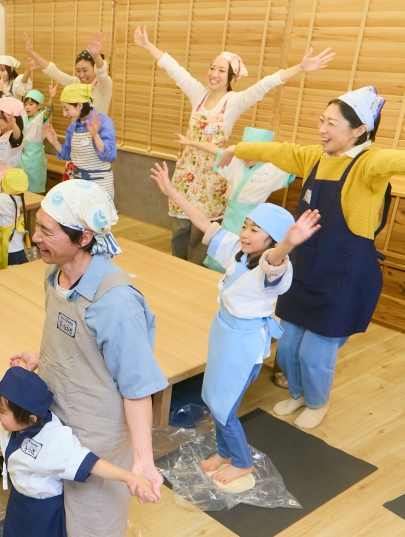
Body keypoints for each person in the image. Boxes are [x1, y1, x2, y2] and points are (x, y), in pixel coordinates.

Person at [9, 179, 166, 537]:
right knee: (58, 487)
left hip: (98, 418)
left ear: (84, 238)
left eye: (47, 231)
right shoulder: (55, 275)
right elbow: (70, 336)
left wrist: (142, 460)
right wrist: (41, 358)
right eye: (36, 225)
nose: (35, 237)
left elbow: (137, 387)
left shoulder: (115, 303)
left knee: (94, 499)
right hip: (59, 406)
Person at [218, 86, 405, 429]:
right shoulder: (314, 158)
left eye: (332, 124)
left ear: (359, 129)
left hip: (343, 277)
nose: (322, 129)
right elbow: (278, 149)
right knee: (288, 347)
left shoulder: (370, 164)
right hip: (305, 270)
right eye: (322, 120)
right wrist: (235, 147)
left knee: (315, 353)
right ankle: (299, 393)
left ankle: (318, 402)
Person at [151, 162, 320, 485]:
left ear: (273, 241)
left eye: (255, 230)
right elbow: (205, 224)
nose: (244, 233)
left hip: (243, 343)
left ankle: (241, 461)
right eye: (245, 225)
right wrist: (172, 191)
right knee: (212, 397)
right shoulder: (239, 252)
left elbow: (274, 259)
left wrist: (289, 243)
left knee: (224, 406)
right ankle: (225, 452)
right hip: (223, 333)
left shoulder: (272, 269)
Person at [133, 26, 334, 263]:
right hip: (189, 168)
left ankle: (196, 271)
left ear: (231, 77)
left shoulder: (235, 101)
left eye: (221, 70)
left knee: (201, 231)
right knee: (179, 225)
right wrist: (147, 46)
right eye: (212, 67)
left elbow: (266, 84)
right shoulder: (198, 94)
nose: (214, 73)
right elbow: (174, 69)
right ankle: (177, 265)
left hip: (216, 169)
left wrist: (300, 68)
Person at [0, 366, 153, 537]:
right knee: (16, 531)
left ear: (31, 418)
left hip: (43, 504)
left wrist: (130, 476)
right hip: (20, 494)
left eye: (1, 411)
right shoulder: (16, 424)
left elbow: (92, 463)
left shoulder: (56, 439)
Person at [174, 127, 296, 272]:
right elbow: (215, 149)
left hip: (251, 218)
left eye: (252, 153)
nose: (247, 157)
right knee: (221, 248)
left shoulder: (273, 168)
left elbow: (294, 161)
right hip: (229, 215)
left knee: (241, 252)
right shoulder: (237, 162)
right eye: (244, 151)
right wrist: (190, 142)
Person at [43, 83, 116, 200]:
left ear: (80, 105)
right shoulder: (73, 127)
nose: (64, 114)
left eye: (66, 109)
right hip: (78, 183)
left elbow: (110, 156)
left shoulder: (104, 122)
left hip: (99, 185)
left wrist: (95, 136)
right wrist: (55, 142)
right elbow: (68, 154)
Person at [24, 31, 113, 116]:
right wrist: (32, 53)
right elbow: (54, 72)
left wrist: (96, 56)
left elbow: (101, 73)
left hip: (97, 131)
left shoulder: (103, 86)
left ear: (94, 68)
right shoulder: (77, 82)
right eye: (78, 71)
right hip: (78, 131)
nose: (81, 75)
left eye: (85, 70)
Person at [18, 84, 56, 194]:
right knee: (20, 186)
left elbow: (48, 111)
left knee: (33, 189)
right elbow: (12, 100)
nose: (27, 107)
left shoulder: (41, 117)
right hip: (22, 156)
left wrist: (52, 98)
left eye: (31, 104)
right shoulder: (24, 115)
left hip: (35, 158)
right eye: (26, 104)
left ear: (39, 106)